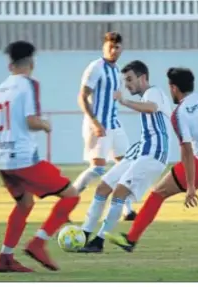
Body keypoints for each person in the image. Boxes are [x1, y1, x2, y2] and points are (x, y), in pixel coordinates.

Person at [106, 67, 198, 252]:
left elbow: (187, 151)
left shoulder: (180, 113)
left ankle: (131, 239)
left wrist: (190, 187)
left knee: (158, 193)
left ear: (173, 88)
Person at [0, 41, 79, 272]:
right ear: (32, 62)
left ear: (10, 65)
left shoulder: (0, 89)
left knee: (24, 204)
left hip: (1, 159)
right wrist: (45, 125)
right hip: (23, 158)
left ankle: (5, 258)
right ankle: (38, 243)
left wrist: (4, 154)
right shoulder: (29, 85)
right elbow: (31, 120)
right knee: (71, 196)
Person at [77, 60, 171, 253]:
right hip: (139, 151)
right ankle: (85, 233)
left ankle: (99, 242)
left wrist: (124, 101)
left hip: (153, 153)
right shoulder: (145, 96)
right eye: (124, 80)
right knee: (103, 187)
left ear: (142, 77)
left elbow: (152, 107)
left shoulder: (154, 92)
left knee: (119, 192)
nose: (126, 85)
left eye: (129, 79)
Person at [72, 31, 137, 221]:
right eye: (110, 46)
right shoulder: (96, 68)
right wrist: (95, 122)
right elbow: (82, 97)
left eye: (117, 47)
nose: (114, 50)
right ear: (104, 47)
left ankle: (127, 210)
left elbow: (114, 96)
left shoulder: (117, 71)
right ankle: (67, 202)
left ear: (122, 49)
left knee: (126, 165)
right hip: (98, 124)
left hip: (115, 124)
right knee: (98, 169)